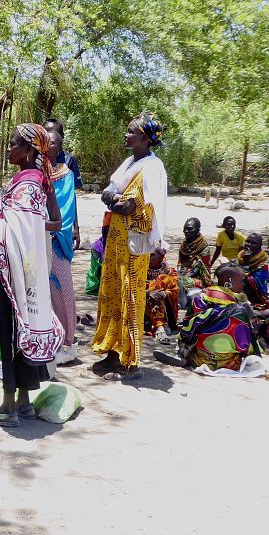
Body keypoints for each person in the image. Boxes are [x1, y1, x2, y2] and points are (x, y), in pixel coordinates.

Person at [0, 123, 64, 428]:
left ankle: (8, 405)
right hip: (30, 268)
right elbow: (40, 224)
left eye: (13, 144)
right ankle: (25, 401)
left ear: (28, 150)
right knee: (25, 324)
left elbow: (16, 230)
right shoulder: (37, 180)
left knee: (11, 331)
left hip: (14, 269)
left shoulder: (26, 184)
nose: (8, 148)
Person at [91, 112, 167, 381]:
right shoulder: (128, 165)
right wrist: (116, 200)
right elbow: (109, 196)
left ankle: (132, 363)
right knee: (111, 294)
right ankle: (112, 354)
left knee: (131, 299)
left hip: (133, 245)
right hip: (116, 241)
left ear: (144, 138)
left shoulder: (151, 168)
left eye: (130, 131)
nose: (126, 135)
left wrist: (115, 200)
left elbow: (127, 205)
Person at [155, 265, 260, 371]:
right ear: (229, 281)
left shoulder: (199, 299)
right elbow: (245, 341)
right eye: (242, 280)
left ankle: (182, 354)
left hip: (197, 359)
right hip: (230, 364)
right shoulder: (239, 309)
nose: (244, 284)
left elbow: (186, 327)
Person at [46, 130, 78, 358]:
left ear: (59, 148)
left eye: (53, 143)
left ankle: (67, 337)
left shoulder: (65, 174)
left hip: (56, 239)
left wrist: (52, 229)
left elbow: (67, 208)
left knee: (63, 286)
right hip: (35, 239)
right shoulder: (34, 171)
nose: (48, 146)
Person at [43, 118, 82, 249]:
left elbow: (70, 198)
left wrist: (75, 226)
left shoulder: (68, 162)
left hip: (61, 223)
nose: (48, 139)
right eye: (45, 133)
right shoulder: (34, 161)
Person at [145, 248, 179, 344]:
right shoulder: (140, 269)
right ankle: (160, 328)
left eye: (152, 255)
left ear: (161, 257)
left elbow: (174, 290)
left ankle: (160, 328)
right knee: (154, 291)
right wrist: (148, 292)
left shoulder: (170, 272)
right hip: (142, 302)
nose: (149, 258)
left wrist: (163, 294)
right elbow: (133, 288)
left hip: (163, 305)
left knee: (162, 281)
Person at [178, 217, 212, 291]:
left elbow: (198, 269)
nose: (186, 231)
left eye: (190, 229)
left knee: (182, 283)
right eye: (185, 229)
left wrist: (182, 277)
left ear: (198, 230)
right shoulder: (183, 245)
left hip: (199, 277)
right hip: (184, 274)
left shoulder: (203, 247)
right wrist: (178, 274)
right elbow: (180, 263)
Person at [238, 233, 269, 310]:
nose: (248, 244)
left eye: (253, 243)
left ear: (260, 245)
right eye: (247, 241)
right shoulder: (243, 254)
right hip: (241, 285)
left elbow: (257, 282)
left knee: (249, 280)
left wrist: (246, 263)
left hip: (256, 292)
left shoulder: (264, 262)